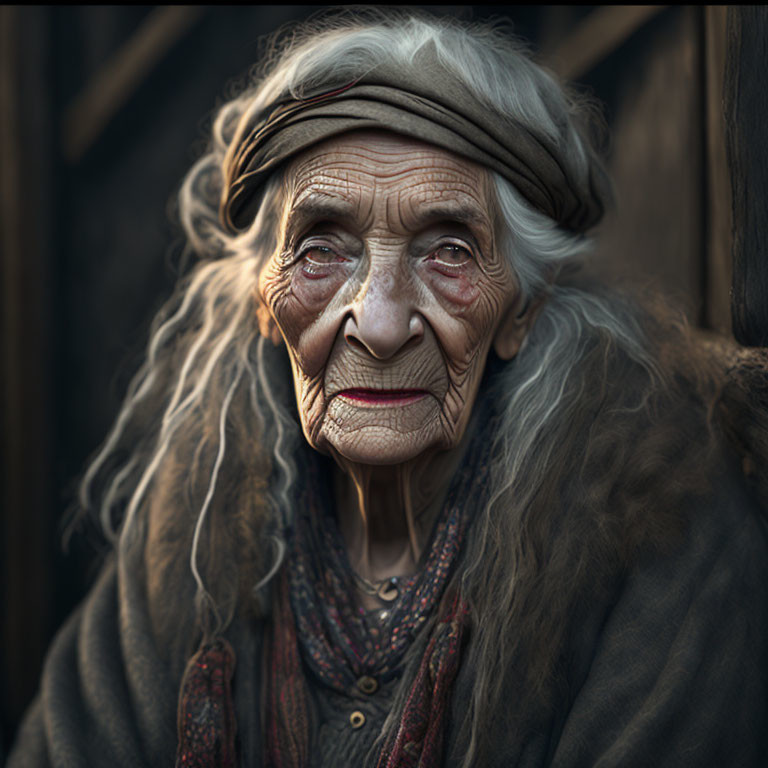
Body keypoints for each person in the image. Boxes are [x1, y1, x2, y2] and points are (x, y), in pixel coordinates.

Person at [9, 12, 768, 768]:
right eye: (320, 249)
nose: (377, 322)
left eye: (447, 251)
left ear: (522, 309)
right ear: (263, 305)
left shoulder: (657, 541)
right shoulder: (192, 537)